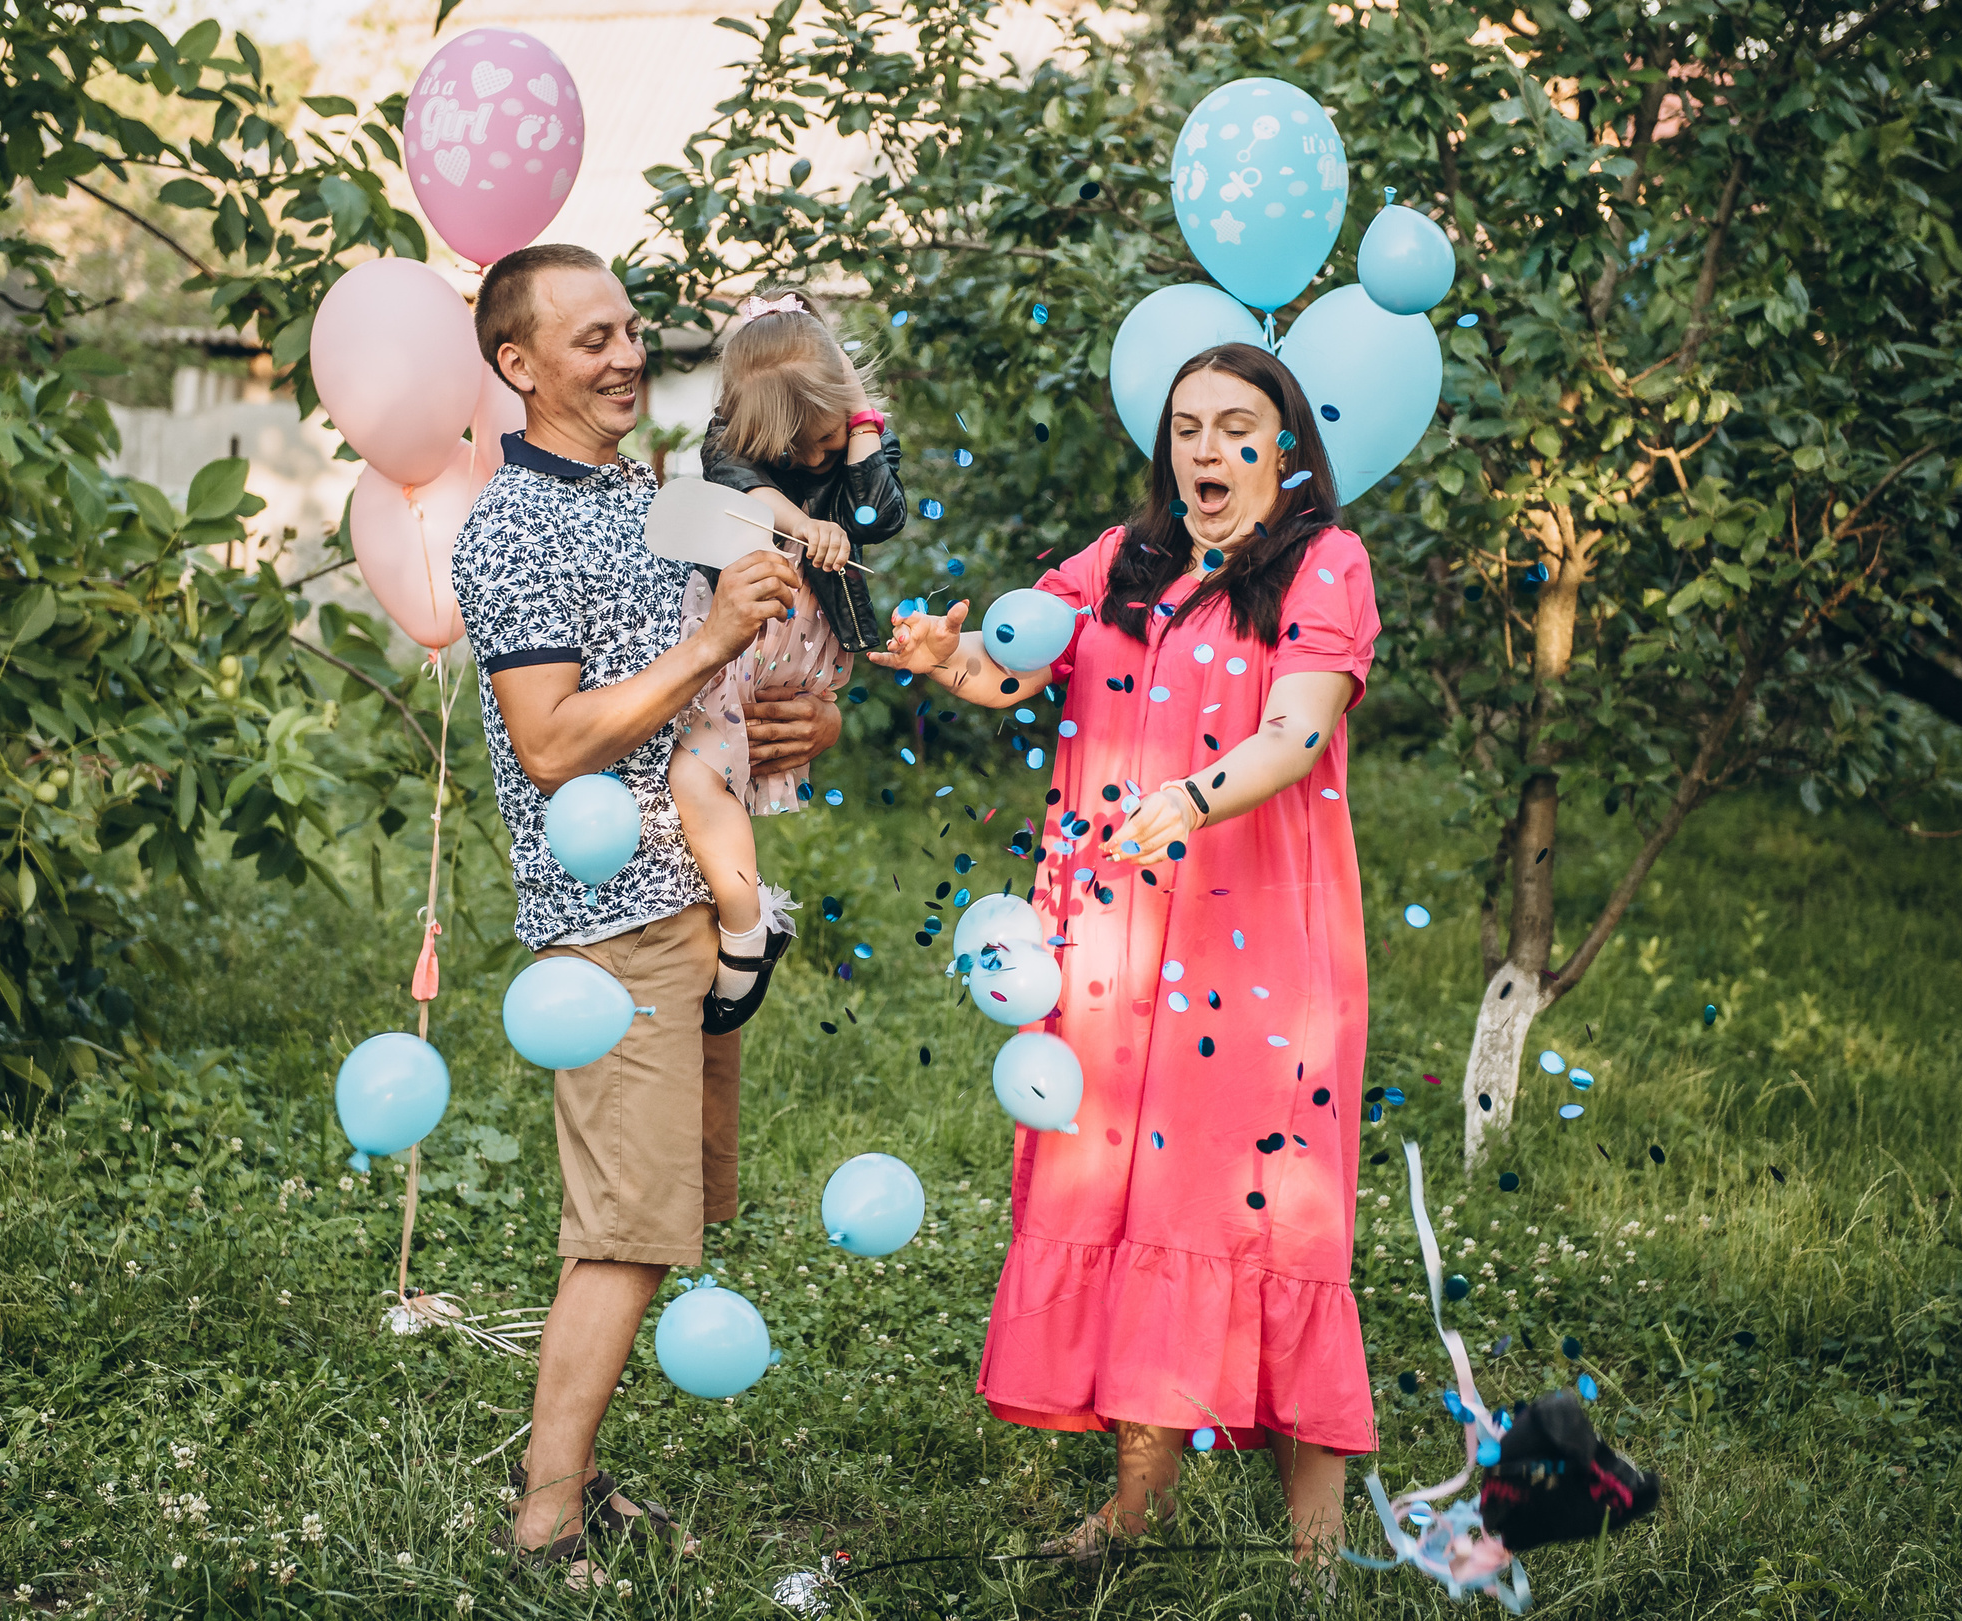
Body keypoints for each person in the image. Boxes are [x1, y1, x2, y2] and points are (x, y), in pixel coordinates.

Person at [870, 341, 1379, 1563]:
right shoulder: (1118, 561)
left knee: (1265, 1208)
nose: (1206, 448)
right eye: (1185, 426)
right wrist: (950, 661)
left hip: (1253, 942)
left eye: (1235, 425)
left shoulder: (1325, 563)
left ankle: (1315, 1549)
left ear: (1285, 446)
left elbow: (1297, 732)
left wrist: (1192, 797)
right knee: (1139, 1196)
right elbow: (1010, 670)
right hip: (1110, 937)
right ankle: (1133, 1509)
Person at [449, 244, 844, 1580]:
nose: (627, 358)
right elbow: (552, 741)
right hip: (608, 915)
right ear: (518, 366)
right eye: (592, 341)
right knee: (622, 1228)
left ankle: (574, 1473)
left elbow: (719, 698)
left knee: (663, 1216)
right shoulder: (511, 528)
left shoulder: (651, 495)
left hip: (693, 893)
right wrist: (712, 639)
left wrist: (797, 720)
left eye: (631, 331)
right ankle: (544, 1519)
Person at [669, 288, 907, 1032]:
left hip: (791, 647)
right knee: (698, 777)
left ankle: (745, 931)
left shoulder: (857, 432)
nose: (810, 458)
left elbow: (879, 513)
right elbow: (730, 475)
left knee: (700, 773)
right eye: (792, 447)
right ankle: (748, 926)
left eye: (823, 439)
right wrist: (802, 521)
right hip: (739, 631)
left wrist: (859, 419)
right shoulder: (730, 440)